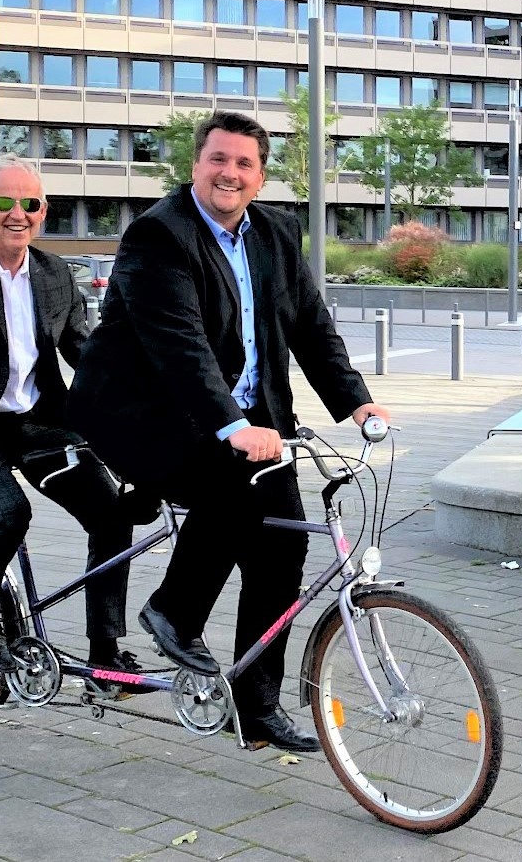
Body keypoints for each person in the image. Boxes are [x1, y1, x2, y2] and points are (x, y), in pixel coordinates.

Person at [69, 111, 390, 752]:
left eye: (245, 163)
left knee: (283, 547)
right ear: (196, 165)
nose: (229, 173)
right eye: (218, 159)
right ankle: (172, 611)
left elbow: (310, 326)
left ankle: (257, 707)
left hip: (242, 420)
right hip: (139, 413)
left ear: (261, 176)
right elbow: (179, 347)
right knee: (232, 489)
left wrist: (357, 404)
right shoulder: (159, 234)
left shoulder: (276, 232)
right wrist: (233, 426)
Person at [0, 154, 150, 690]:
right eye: (5, 202)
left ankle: (104, 656)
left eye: (30, 203)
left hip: (38, 424)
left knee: (111, 518)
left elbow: (83, 350)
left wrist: (136, 388)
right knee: (9, 514)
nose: (18, 213)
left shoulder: (54, 273)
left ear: (43, 210)